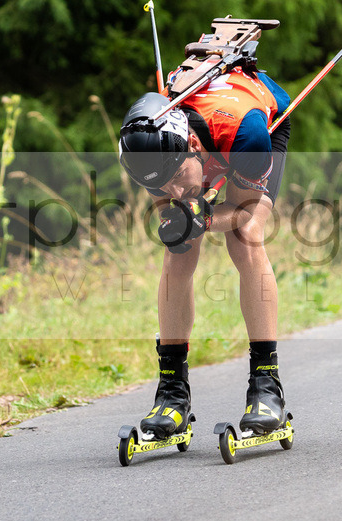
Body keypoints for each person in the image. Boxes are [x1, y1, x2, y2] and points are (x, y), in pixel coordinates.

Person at [117, 64, 291, 439]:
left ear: (193, 146)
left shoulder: (249, 137)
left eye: (178, 179)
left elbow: (244, 210)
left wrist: (206, 218)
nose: (175, 193)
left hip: (256, 122)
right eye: (164, 185)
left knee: (245, 237)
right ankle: (172, 391)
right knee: (179, 246)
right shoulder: (150, 144)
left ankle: (266, 385)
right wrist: (180, 219)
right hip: (198, 133)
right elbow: (171, 204)